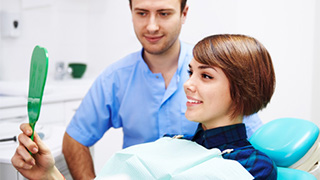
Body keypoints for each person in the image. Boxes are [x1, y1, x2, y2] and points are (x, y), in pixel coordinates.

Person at [11, 34, 276, 180]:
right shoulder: (173, 144)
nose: (187, 84)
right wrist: (48, 175)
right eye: (190, 72)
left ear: (242, 89)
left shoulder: (251, 167)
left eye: (205, 76)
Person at [62, 0, 262, 179]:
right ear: (131, 12)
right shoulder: (115, 78)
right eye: (141, 13)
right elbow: (75, 139)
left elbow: (251, 141)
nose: (151, 26)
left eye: (164, 13)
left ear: (184, 13)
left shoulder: (214, 69)